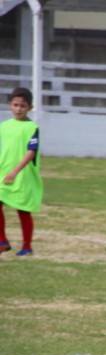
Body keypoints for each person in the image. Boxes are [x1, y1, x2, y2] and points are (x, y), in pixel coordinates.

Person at [0, 87, 43, 257]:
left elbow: (31, 151)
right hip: (3, 172)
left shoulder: (32, 128)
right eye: (15, 105)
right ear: (10, 104)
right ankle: (2, 241)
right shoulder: (4, 126)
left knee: (23, 210)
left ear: (29, 108)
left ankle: (27, 247)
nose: (18, 109)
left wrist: (16, 171)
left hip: (22, 174)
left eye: (22, 106)